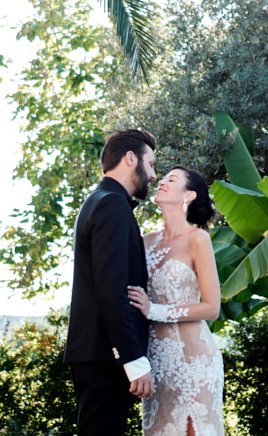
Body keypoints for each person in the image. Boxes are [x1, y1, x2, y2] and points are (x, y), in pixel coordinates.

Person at [65, 129, 158, 436]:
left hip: (98, 356)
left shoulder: (98, 201)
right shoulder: (112, 205)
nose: (154, 176)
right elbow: (111, 288)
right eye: (152, 164)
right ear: (131, 159)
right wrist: (132, 358)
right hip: (106, 357)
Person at [127, 166, 224, 436]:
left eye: (172, 179)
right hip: (155, 363)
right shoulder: (143, 242)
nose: (162, 182)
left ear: (189, 195)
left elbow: (211, 307)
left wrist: (154, 309)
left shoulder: (198, 239)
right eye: (163, 178)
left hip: (194, 363)